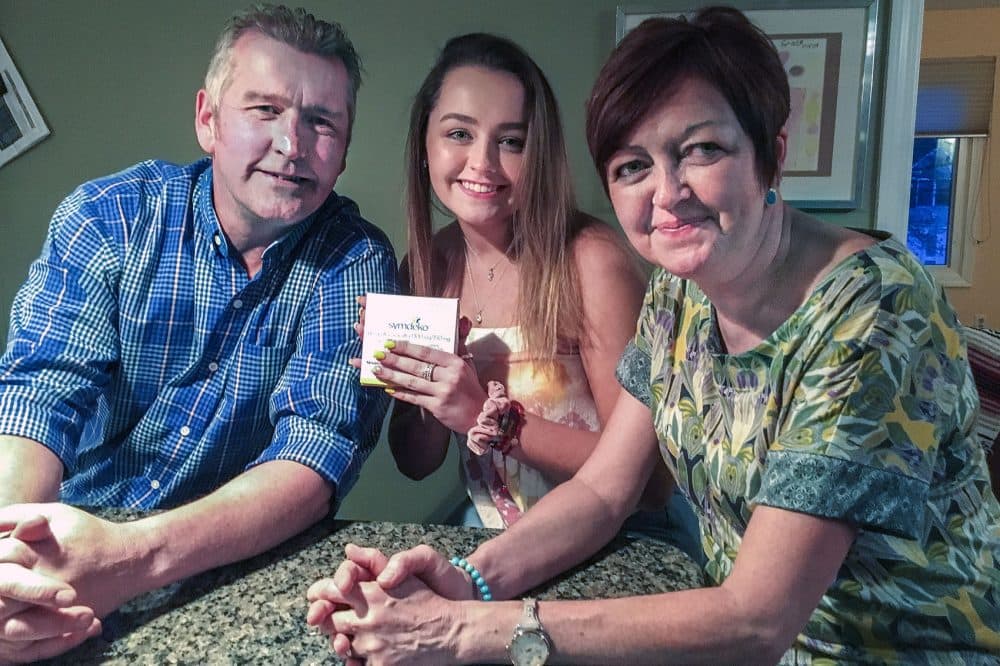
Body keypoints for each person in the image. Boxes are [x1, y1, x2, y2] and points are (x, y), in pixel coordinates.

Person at [306, 8, 1000, 664]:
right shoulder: (680, 290)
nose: (666, 193)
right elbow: (608, 489)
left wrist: (469, 630)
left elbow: (758, 617)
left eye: (700, 150)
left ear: (772, 154)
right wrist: (468, 580)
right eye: (633, 166)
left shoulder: (873, 309)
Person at [0, 5, 395, 663]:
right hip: (62, 543)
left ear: (344, 149)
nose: (292, 145)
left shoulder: (357, 261)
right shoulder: (108, 218)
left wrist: (129, 559)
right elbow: (37, 399)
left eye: (320, 122)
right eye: (264, 110)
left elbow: (317, 453)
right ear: (208, 119)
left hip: (238, 568)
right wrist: (9, 569)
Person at [356, 31, 693, 545]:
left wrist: (484, 417)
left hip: (623, 540)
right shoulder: (425, 265)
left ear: (540, 153)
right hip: (496, 536)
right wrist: (426, 388)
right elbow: (415, 464)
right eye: (459, 134)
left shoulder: (591, 261)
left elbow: (649, 483)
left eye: (511, 141)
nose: (483, 164)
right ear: (425, 144)